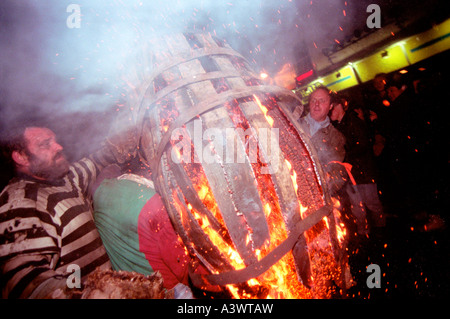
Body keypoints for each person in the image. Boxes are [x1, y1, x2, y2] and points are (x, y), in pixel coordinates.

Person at [0, 118, 137, 298]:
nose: (58, 147)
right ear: (21, 157)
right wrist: (90, 295)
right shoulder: (18, 203)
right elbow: (26, 282)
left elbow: (96, 161)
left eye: (55, 140)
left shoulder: (65, 179)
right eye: (45, 144)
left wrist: (122, 141)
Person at [330, 93, 385, 234]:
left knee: (372, 203)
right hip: (352, 174)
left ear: (339, 106)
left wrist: (343, 156)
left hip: (364, 172)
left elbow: (363, 145)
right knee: (357, 206)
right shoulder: (340, 125)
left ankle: (382, 232)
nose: (329, 112)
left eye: (331, 108)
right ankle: (363, 233)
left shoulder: (353, 122)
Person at [297, 86, 347, 195]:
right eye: (313, 100)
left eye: (322, 101)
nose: (316, 104)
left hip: (315, 193)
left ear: (330, 106)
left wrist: (329, 181)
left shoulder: (335, 137)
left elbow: (337, 170)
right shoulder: (295, 124)